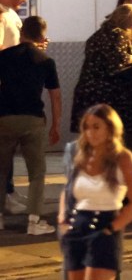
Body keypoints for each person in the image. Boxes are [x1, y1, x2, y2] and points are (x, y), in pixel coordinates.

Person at [59, 104, 132, 280]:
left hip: (104, 226)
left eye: (96, 127)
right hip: (76, 227)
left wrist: (111, 229)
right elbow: (67, 191)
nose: (91, 132)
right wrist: (63, 221)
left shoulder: (123, 158)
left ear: (110, 128)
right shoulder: (81, 155)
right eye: (87, 127)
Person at [0, 16, 60, 234]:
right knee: (37, 172)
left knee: (1, 169)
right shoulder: (45, 61)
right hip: (33, 120)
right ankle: (34, 222)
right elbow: (55, 96)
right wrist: (55, 125)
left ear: (22, 32)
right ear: (42, 36)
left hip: (4, 118)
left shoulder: (3, 57)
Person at [70, 5, 132, 158]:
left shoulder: (98, 35)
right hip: (110, 100)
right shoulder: (118, 35)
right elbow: (118, 62)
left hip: (89, 98)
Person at [0, 0, 35, 214]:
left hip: (11, 87)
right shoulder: (1, 16)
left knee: (8, 143)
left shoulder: (10, 15)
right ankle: (6, 194)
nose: (22, 1)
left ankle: (9, 190)